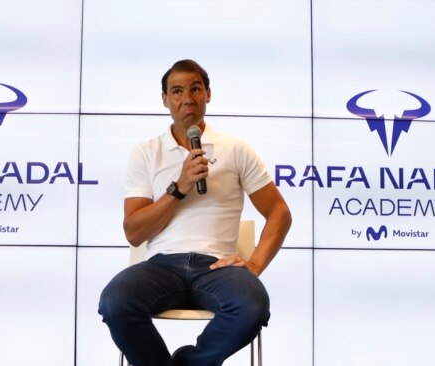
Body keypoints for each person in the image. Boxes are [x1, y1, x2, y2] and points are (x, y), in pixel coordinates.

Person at [98, 59, 291, 366]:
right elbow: (134, 232)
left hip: (217, 268)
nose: (186, 98)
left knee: (252, 305)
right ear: (165, 100)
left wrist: (254, 264)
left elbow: (279, 212)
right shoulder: (146, 153)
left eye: (195, 89)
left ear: (208, 95)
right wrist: (180, 187)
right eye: (176, 91)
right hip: (162, 267)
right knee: (115, 302)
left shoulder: (236, 149)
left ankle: (189, 363)